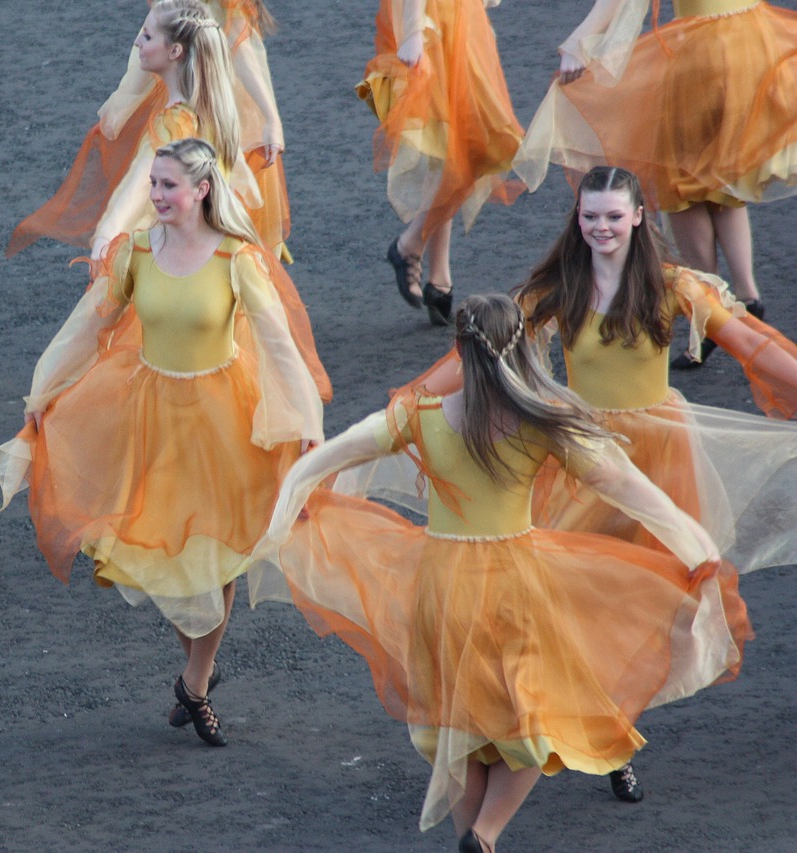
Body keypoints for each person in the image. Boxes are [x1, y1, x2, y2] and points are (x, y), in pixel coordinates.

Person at [256, 293, 749, 852]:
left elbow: (334, 454)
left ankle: (472, 837)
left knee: (459, 723)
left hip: (441, 585)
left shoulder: (420, 416)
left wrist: (290, 506)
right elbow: (626, 486)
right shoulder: (543, 422)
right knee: (538, 716)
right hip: (516, 582)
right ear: (524, 349)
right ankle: (487, 833)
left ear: (459, 349)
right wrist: (695, 545)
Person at [399, 165, 797, 801]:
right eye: (591, 216)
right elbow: (476, 356)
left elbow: (752, 346)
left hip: (660, 458)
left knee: (646, 604)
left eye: (614, 216)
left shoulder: (673, 285)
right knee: (567, 597)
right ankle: (577, 726)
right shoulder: (559, 287)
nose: (601, 227)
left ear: (638, 216)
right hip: (582, 456)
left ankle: (613, 730)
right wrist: (407, 405)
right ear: (577, 218)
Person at [0, 138, 325, 747]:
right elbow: (89, 324)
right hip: (152, 420)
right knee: (167, 558)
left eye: (168, 185)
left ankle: (196, 681)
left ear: (202, 190)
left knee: (219, 550)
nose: (156, 195)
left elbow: (278, 343)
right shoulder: (138, 251)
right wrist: (45, 390)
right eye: (153, 184)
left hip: (223, 422)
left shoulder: (236, 259)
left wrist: (306, 424)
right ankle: (198, 670)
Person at [513, 0, 797, 365]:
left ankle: (707, 308)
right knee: (720, 175)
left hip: (701, 49)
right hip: (752, 41)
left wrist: (578, 43)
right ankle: (746, 293)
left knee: (678, 182)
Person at [6, 0, 260, 262]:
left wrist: (106, 235)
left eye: (147, 36)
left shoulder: (174, 124)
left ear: (174, 51)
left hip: (173, 257)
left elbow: (138, 186)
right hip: (212, 253)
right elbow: (242, 184)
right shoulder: (215, 114)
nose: (137, 41)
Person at [362, 0, 524, 325]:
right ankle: (412, 244)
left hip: (461, 20)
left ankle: (438, 275)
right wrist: (412, 32)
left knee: (453, 148)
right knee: (475, 146)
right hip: (435, 22)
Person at [93, 0, 293, 260]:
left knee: (165, 183)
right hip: (211, 95)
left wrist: (107, 233)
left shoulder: (178, 119)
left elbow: (237, 46)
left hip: (198, 93)